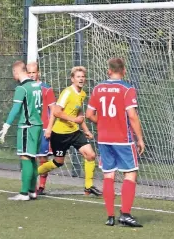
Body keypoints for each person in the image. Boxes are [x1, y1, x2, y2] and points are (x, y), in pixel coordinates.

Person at [86, 57, 145, 227]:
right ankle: (125, 214)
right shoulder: (127, 89)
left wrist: (103, 122)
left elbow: (89, 114)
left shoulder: (98, 88)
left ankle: (110, 216)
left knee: (108, 174)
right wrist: (140, 138)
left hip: (104, 139)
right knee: (130, 173)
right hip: (123, 138)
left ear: (109, 71)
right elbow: (132, 116)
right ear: (124, 71)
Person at [38, 66, 102, 196]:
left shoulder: (83, 94)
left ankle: (88, 187)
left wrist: (86, 130)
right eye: (78, 77)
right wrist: (51, 128)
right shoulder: (67, 92)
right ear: (72, 79)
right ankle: (32, 174)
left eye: (83, 76)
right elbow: (56, 111)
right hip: (60, 134)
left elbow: (79, 114)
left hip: (74, 132)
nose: (81, 79)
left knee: (90, 155)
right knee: (58, 162)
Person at [0, 60, 43, 201]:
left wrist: (6, 126)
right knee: (32, 158)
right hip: (38, 125)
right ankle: (32, 191)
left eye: (14, 73)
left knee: (25, 157)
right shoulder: (36, 85)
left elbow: (15, 109)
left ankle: (24, 193)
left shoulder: (22, 88)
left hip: (27, 126)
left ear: (16, 72)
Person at [26, 62, 56, 195]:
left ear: (39, 73)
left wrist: (49, 128)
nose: (32, 75)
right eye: (30, 73)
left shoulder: (46, 89)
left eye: (34, 72)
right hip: (30, 127)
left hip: (43, 128)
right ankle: (31, 185)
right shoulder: (25, 88)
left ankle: (41, 186)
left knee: (43, 158)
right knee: (30, 157)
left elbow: (53, 110)